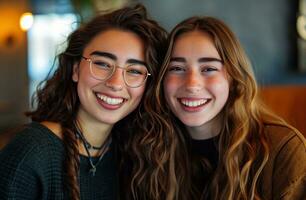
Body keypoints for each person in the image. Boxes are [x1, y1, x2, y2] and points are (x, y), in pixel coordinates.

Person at [0, 4, 168, 200]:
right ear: (75, 70)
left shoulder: (134, 156)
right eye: (102, 64)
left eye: (134, 71)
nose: (115, 84)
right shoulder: (32, 151)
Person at [155, 16, 306, 199]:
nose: (192, 84)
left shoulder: (283, 149)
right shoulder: (149, 148)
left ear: (233, 78)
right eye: (177, 68)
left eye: (208, 69)